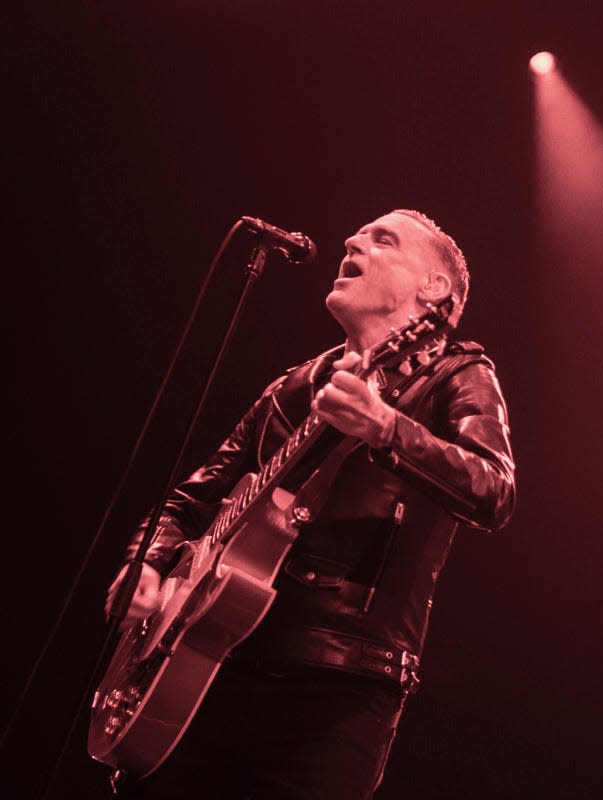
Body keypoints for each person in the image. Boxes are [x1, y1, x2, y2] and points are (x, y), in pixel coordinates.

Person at [104, 209, 516, 798]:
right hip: (207, 666)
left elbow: (494, 490)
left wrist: (388, 430)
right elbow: (188, 502)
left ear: (435, 290)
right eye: (358, 233)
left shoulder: (456, 371)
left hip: (339, 687)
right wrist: (147, 561)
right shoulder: (292, 388)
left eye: (383, 239)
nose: (352, 240)